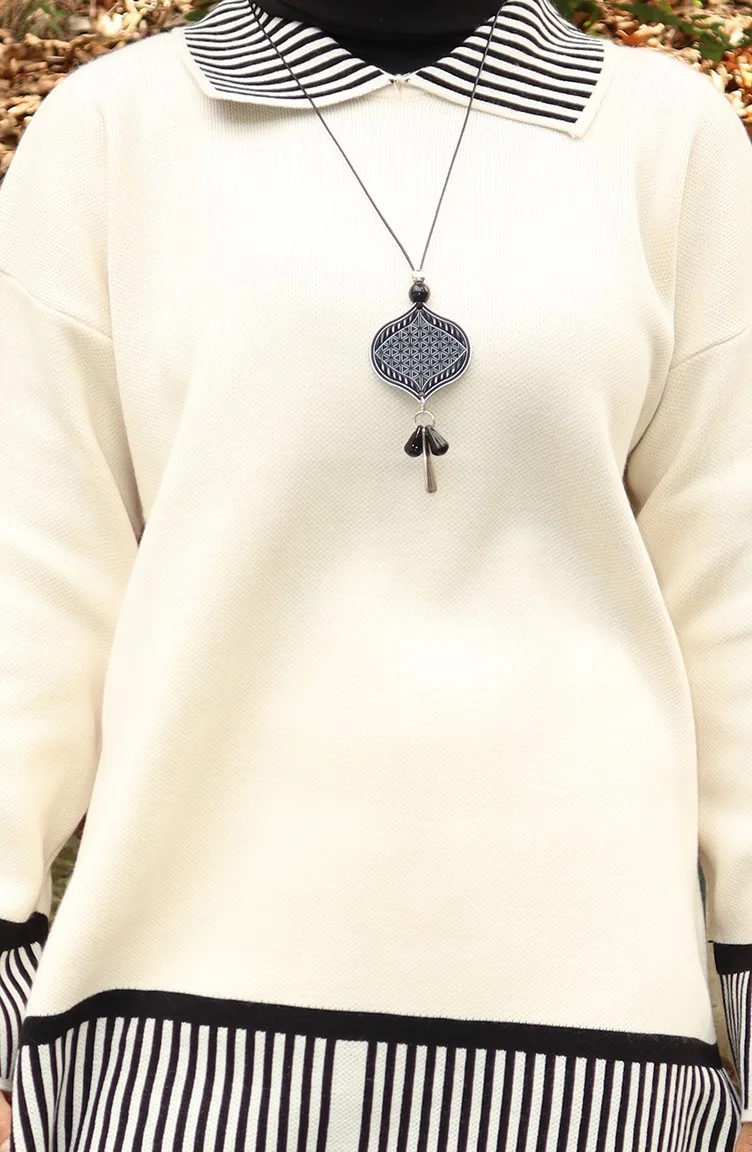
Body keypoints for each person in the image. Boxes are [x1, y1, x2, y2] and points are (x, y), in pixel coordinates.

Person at [0, 0, 751, 1148]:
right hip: (171, 1034)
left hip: (591, 1035)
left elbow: (733, 596)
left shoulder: (665, 137)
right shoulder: (114, 129)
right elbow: (32, 582)